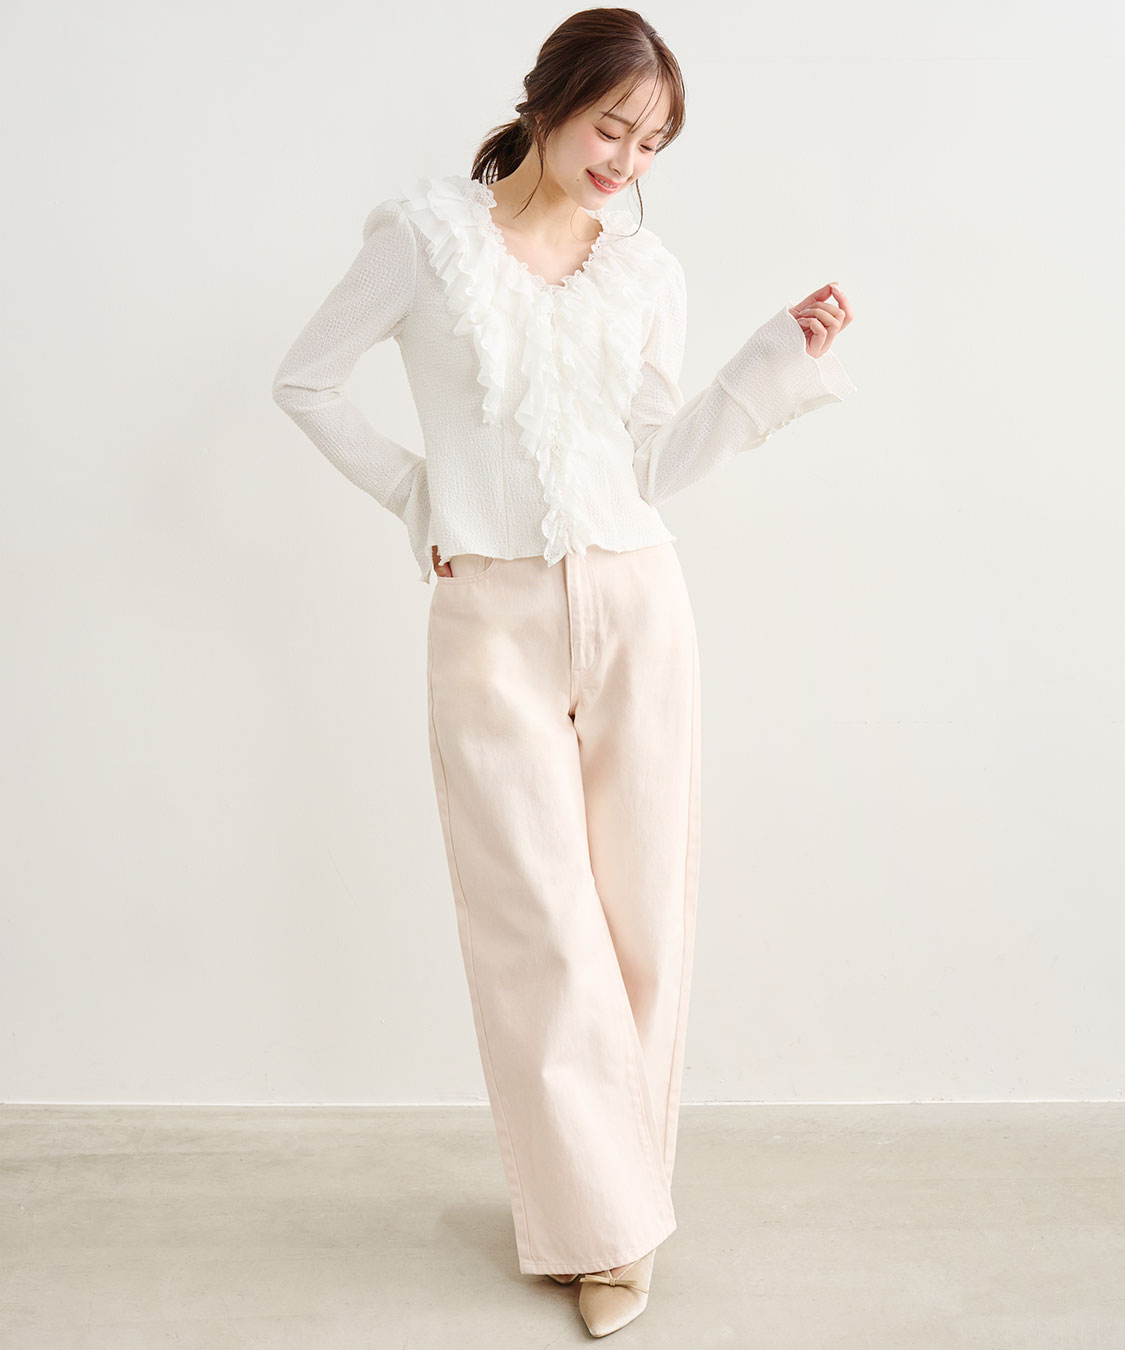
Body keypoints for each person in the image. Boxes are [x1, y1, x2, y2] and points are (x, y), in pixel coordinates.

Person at [271, 8, 856, 1337]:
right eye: (612, 126)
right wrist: (416, 496)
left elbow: (650, 463)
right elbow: (305, 383)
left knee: (643, 917)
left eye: (651, 145)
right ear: (548, 97)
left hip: (637, 598)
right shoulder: (423, 241)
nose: (625, 161)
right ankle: (603, 1225)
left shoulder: (645, 273)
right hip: (490, 610)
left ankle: (613, 1221)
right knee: (539, 924)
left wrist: (774, 365)